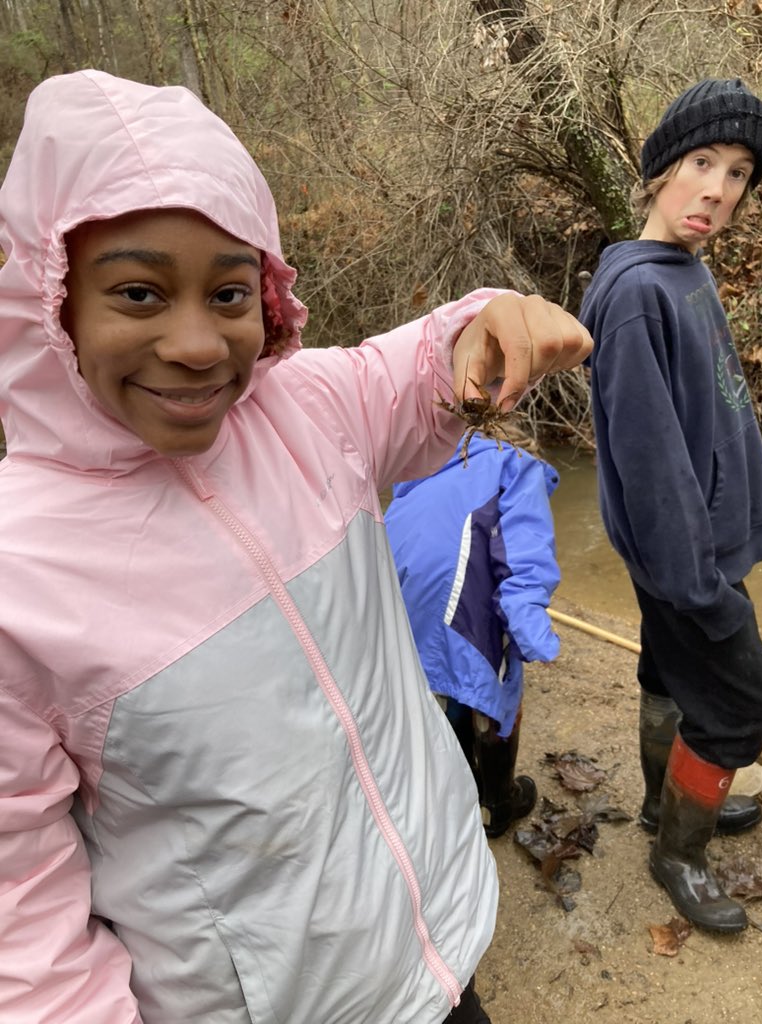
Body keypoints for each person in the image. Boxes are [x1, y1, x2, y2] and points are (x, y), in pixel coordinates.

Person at [0, 70, 592, 1023]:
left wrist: (490, 324)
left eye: (229, 290)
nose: (197, 343)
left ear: (267, 297)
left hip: (437, 951)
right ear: (50, 299)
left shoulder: (305, 411)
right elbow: (21, 921)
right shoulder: (18, 581)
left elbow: (415, 369)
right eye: (141, 292)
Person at [579, 77, 762, 934]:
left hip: (698, 553)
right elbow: (651, 467)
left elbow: (716, 409)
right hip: (686, 562)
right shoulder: (635, 296)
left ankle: (663, 807)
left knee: (668, 674)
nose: (718, 191)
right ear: (660, 169)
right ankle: (677, 857)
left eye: (737, 174)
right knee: (739, 710)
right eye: (702, 162)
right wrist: (700, 587)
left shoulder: (681, 271)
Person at [384, 436, 560, 839]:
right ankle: (497, 803)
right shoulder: (516, 466)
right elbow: (525, 557)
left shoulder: (420, 461)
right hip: (462, 607)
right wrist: (535, 634)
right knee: (494, 690)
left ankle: (461, 803)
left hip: (402, 604)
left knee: (444, 691)